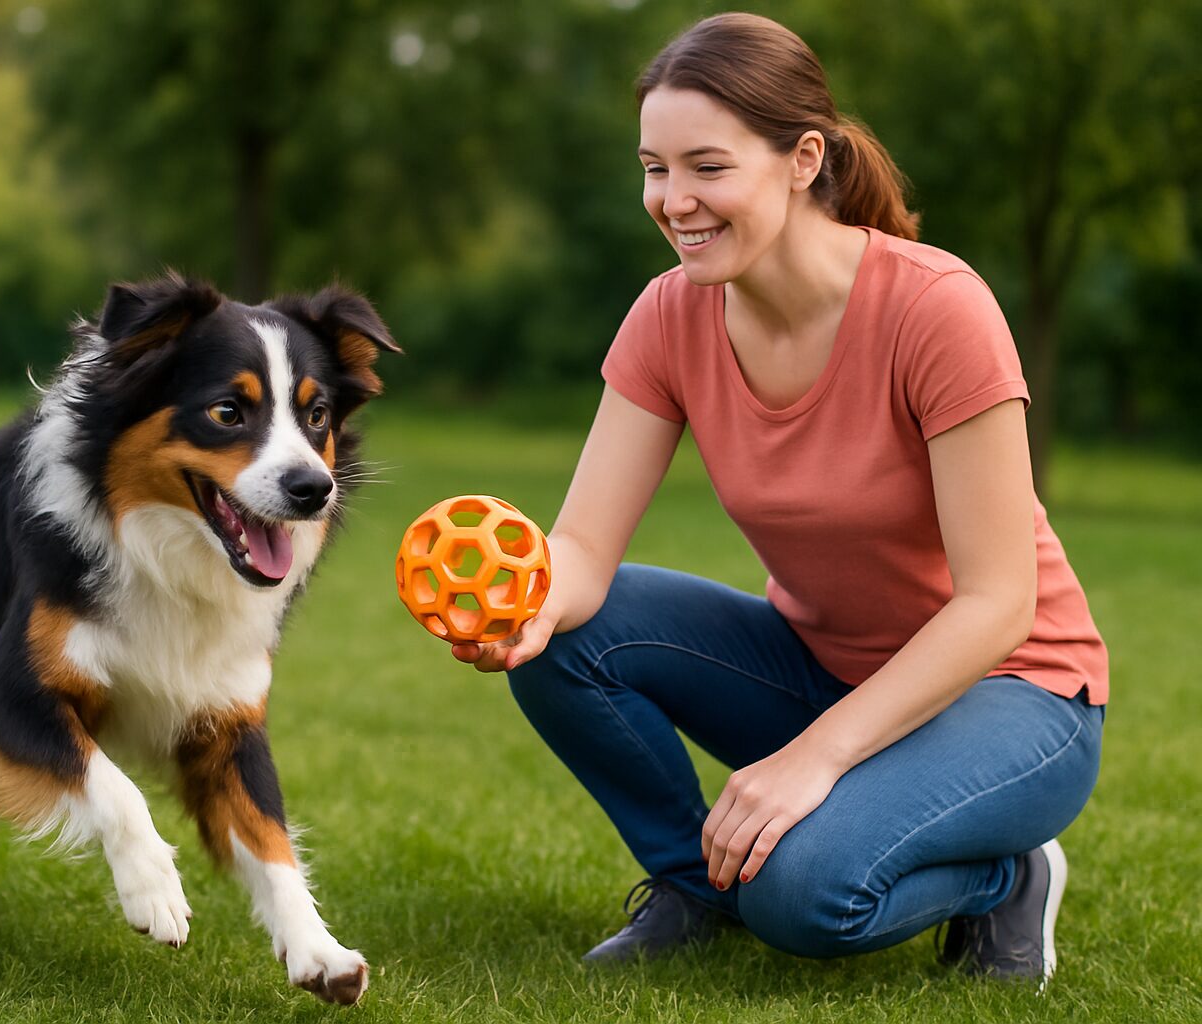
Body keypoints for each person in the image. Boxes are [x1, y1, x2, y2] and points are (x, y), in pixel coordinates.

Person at [452, 12, 1106, 988]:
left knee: (803, 896)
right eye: (654, 168)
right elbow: (582, 547)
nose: (674, 200)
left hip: (1014, 691)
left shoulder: (936, 308)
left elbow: (997, 602)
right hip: (824, 669)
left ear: (803, 159)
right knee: (571, 633)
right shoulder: (669, 313)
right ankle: (694, 885)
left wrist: (814, 761)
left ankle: (1003, 875)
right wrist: (528, 611)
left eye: (707, 167)